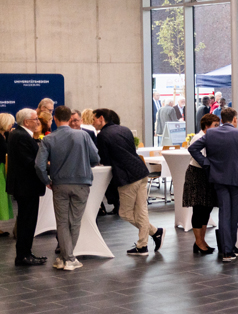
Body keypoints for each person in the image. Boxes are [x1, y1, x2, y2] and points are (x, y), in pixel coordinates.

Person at [35, 106, 101, 271]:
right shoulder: (83, 135)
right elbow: (95, 158)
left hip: (59, 184)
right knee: (75, 222)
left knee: (62, 222)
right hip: (81, 183)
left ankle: (66, 258)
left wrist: (46, 180)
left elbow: (39, 165)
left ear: (55, 119)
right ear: (70, 119)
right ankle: (69, 259)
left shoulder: (49, 139)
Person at [93, 108, 164, 256]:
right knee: (141, 211)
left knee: (125, 213)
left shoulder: (102, 136)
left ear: (101, 118)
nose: (93, 122)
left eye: (94, 119)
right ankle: (144, 244)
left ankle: (153, 234)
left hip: (127, 177)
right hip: (141, 171)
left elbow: (105, 160)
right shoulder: (125, 129)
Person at [188, 107, 238, 262]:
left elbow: (193, 148)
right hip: (237, 178)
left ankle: (226, 252)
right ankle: (231, 247)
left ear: (222, 120)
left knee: (224, 213)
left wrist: (207, 163)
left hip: (218, 177)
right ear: (235, 119)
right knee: (234, 214)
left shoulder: (211, 133)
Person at [7, 109, 47, 266]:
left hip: (24, 186)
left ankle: (25, 253)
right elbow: (30, 163)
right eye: (35, 119)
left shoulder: (18, 134)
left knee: (26, 221)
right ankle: (23, 255)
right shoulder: (22, 136)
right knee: (27, 222)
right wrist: (47, 166)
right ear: (26, 122)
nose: (38, 121)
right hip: (26, 187)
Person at [183, 113, 219, 256]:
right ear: (206, 126)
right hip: (197, 175)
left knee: (207, 208)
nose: (218, 128)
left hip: (207, 175)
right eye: (215, 125)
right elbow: (199, 157)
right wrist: (209, 163)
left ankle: (201, 241)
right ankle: (199, 242)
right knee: (199, 208)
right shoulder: (198, 138)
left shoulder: (211, 137)